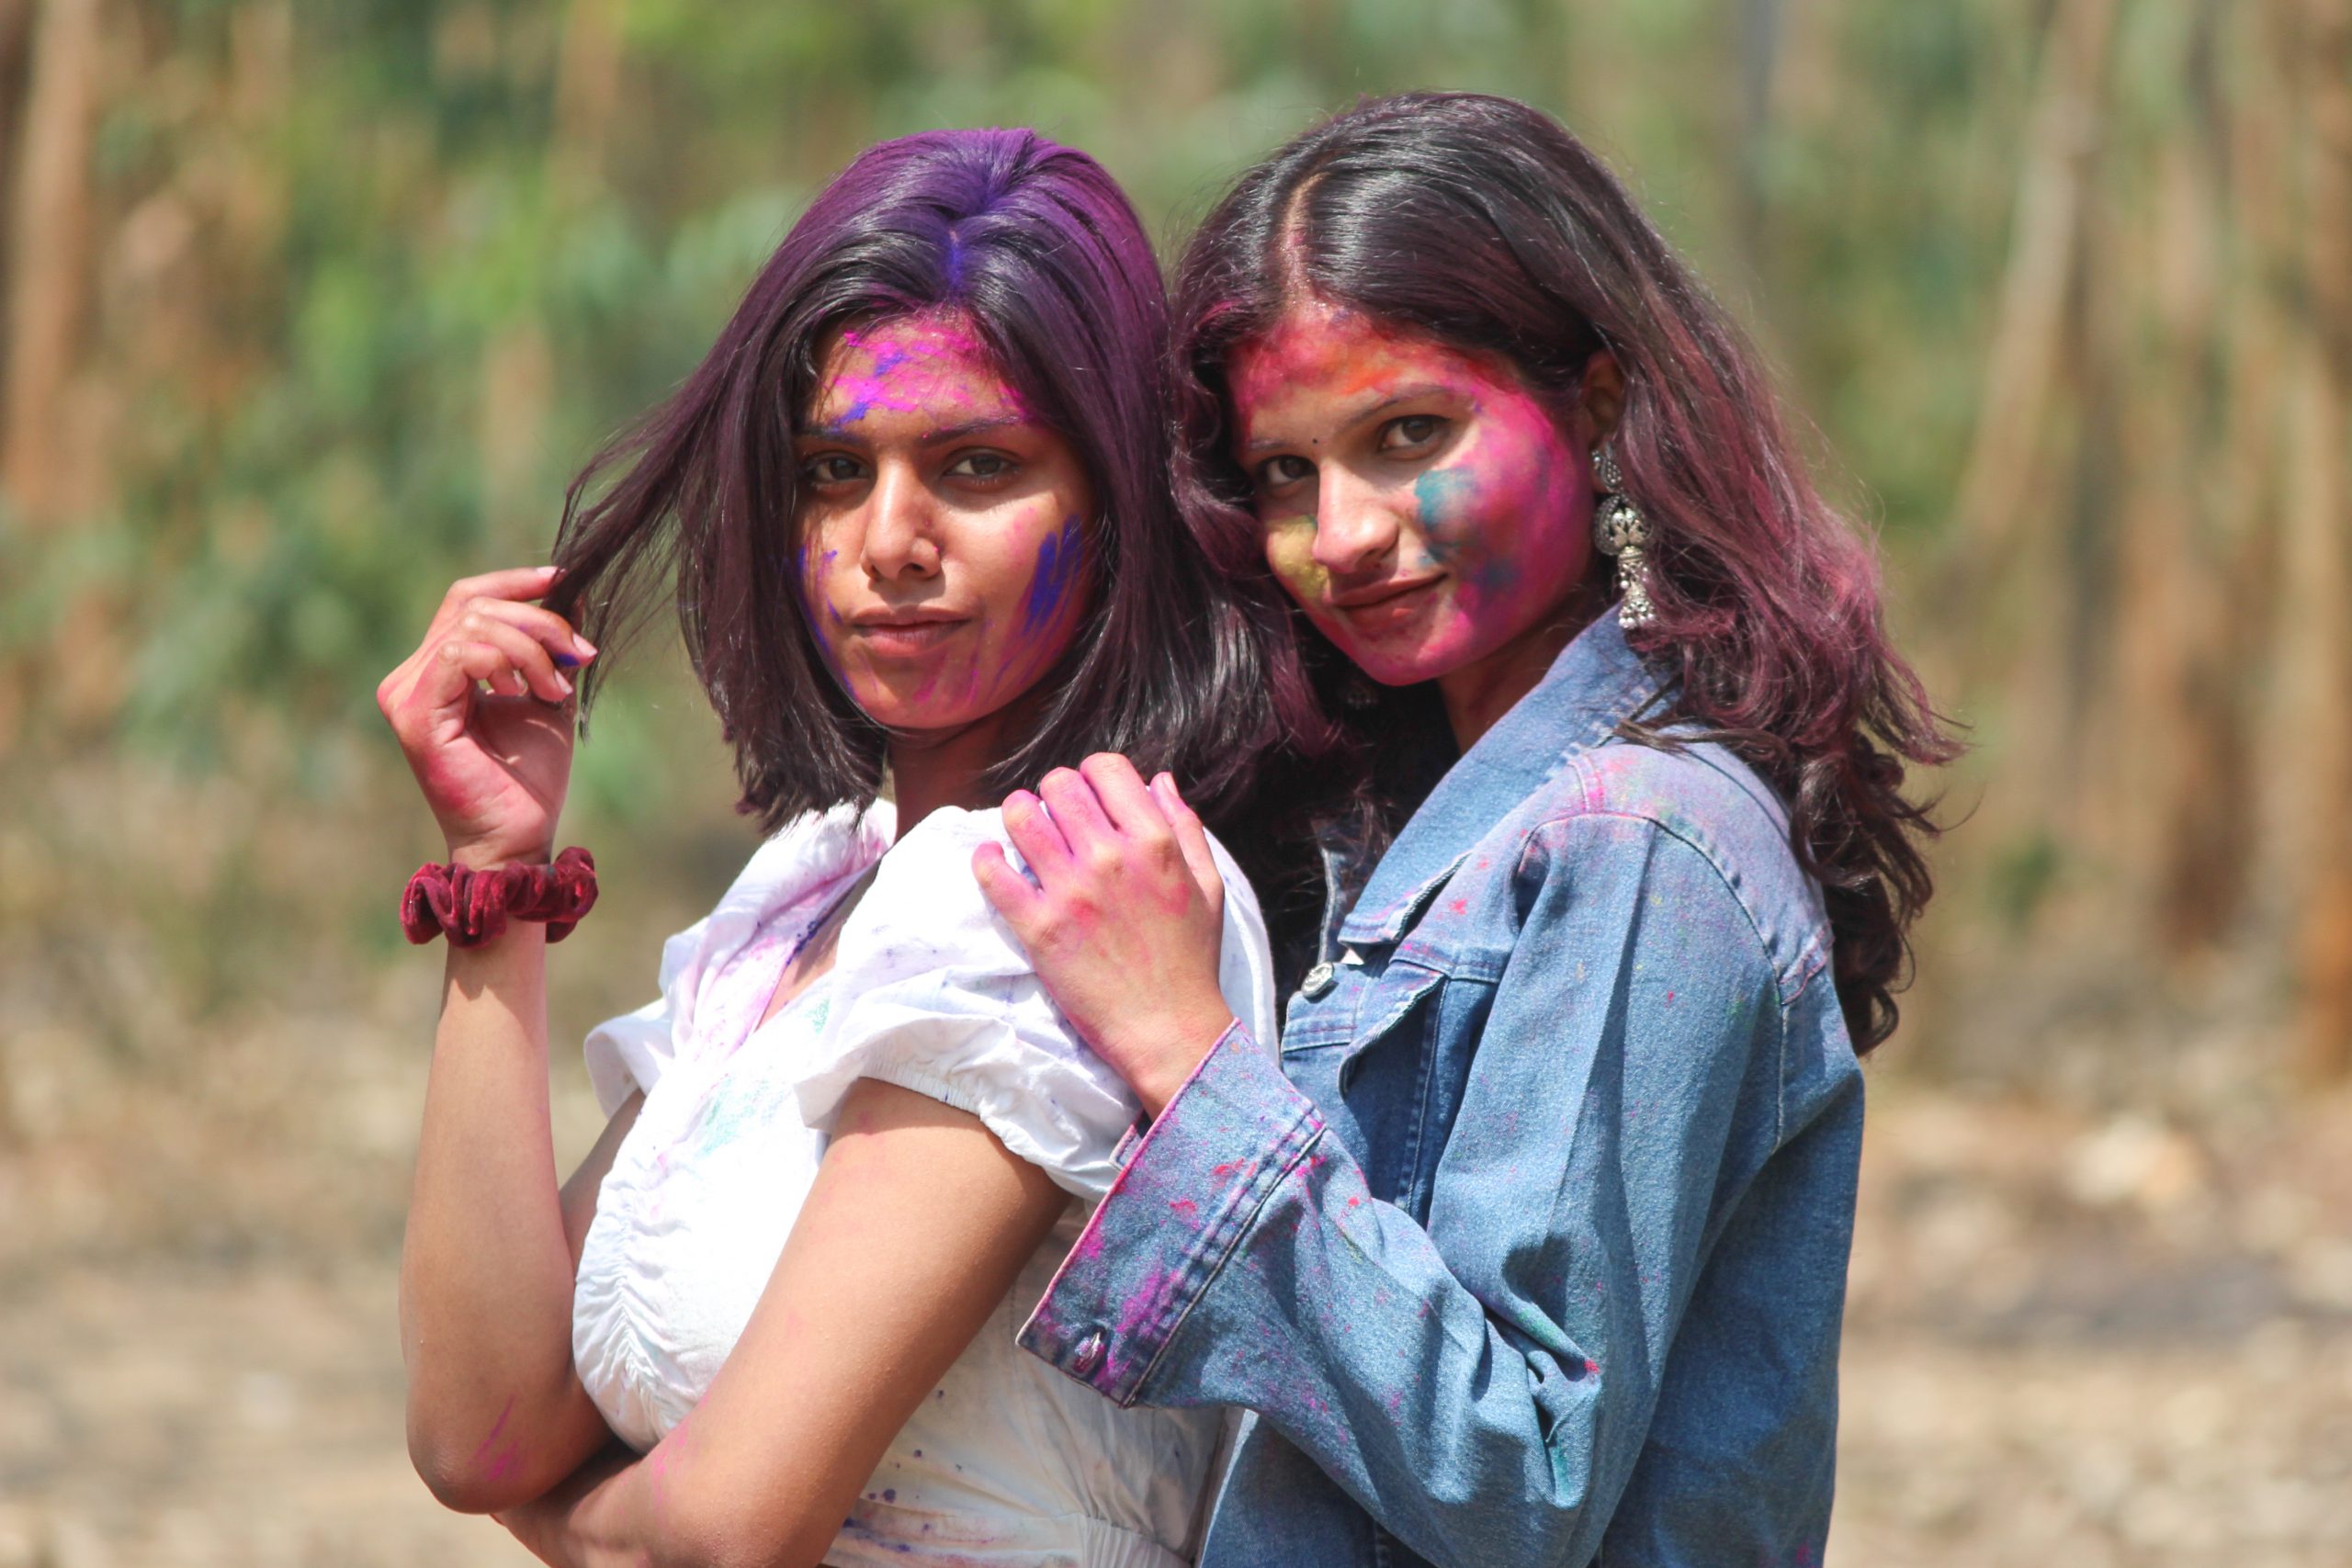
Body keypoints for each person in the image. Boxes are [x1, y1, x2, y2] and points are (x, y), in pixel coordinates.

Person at [971, 92, 1958, 1567]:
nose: (1344, 532)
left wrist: (1188, 1058)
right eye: (1285, 474)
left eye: (1409, 433)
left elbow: (1516, 1469)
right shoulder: (1434, 810)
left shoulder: (1639, 839)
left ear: (1601, 403)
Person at [375, 127, 1317, 1568]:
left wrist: (584, 1523)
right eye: (832, 470)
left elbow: (729, 1531)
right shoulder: (815, 884)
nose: (889, 538)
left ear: (1120, 504)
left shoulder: (1071, 894)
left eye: (977, 465)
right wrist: (495, 881)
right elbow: (478, 1427)